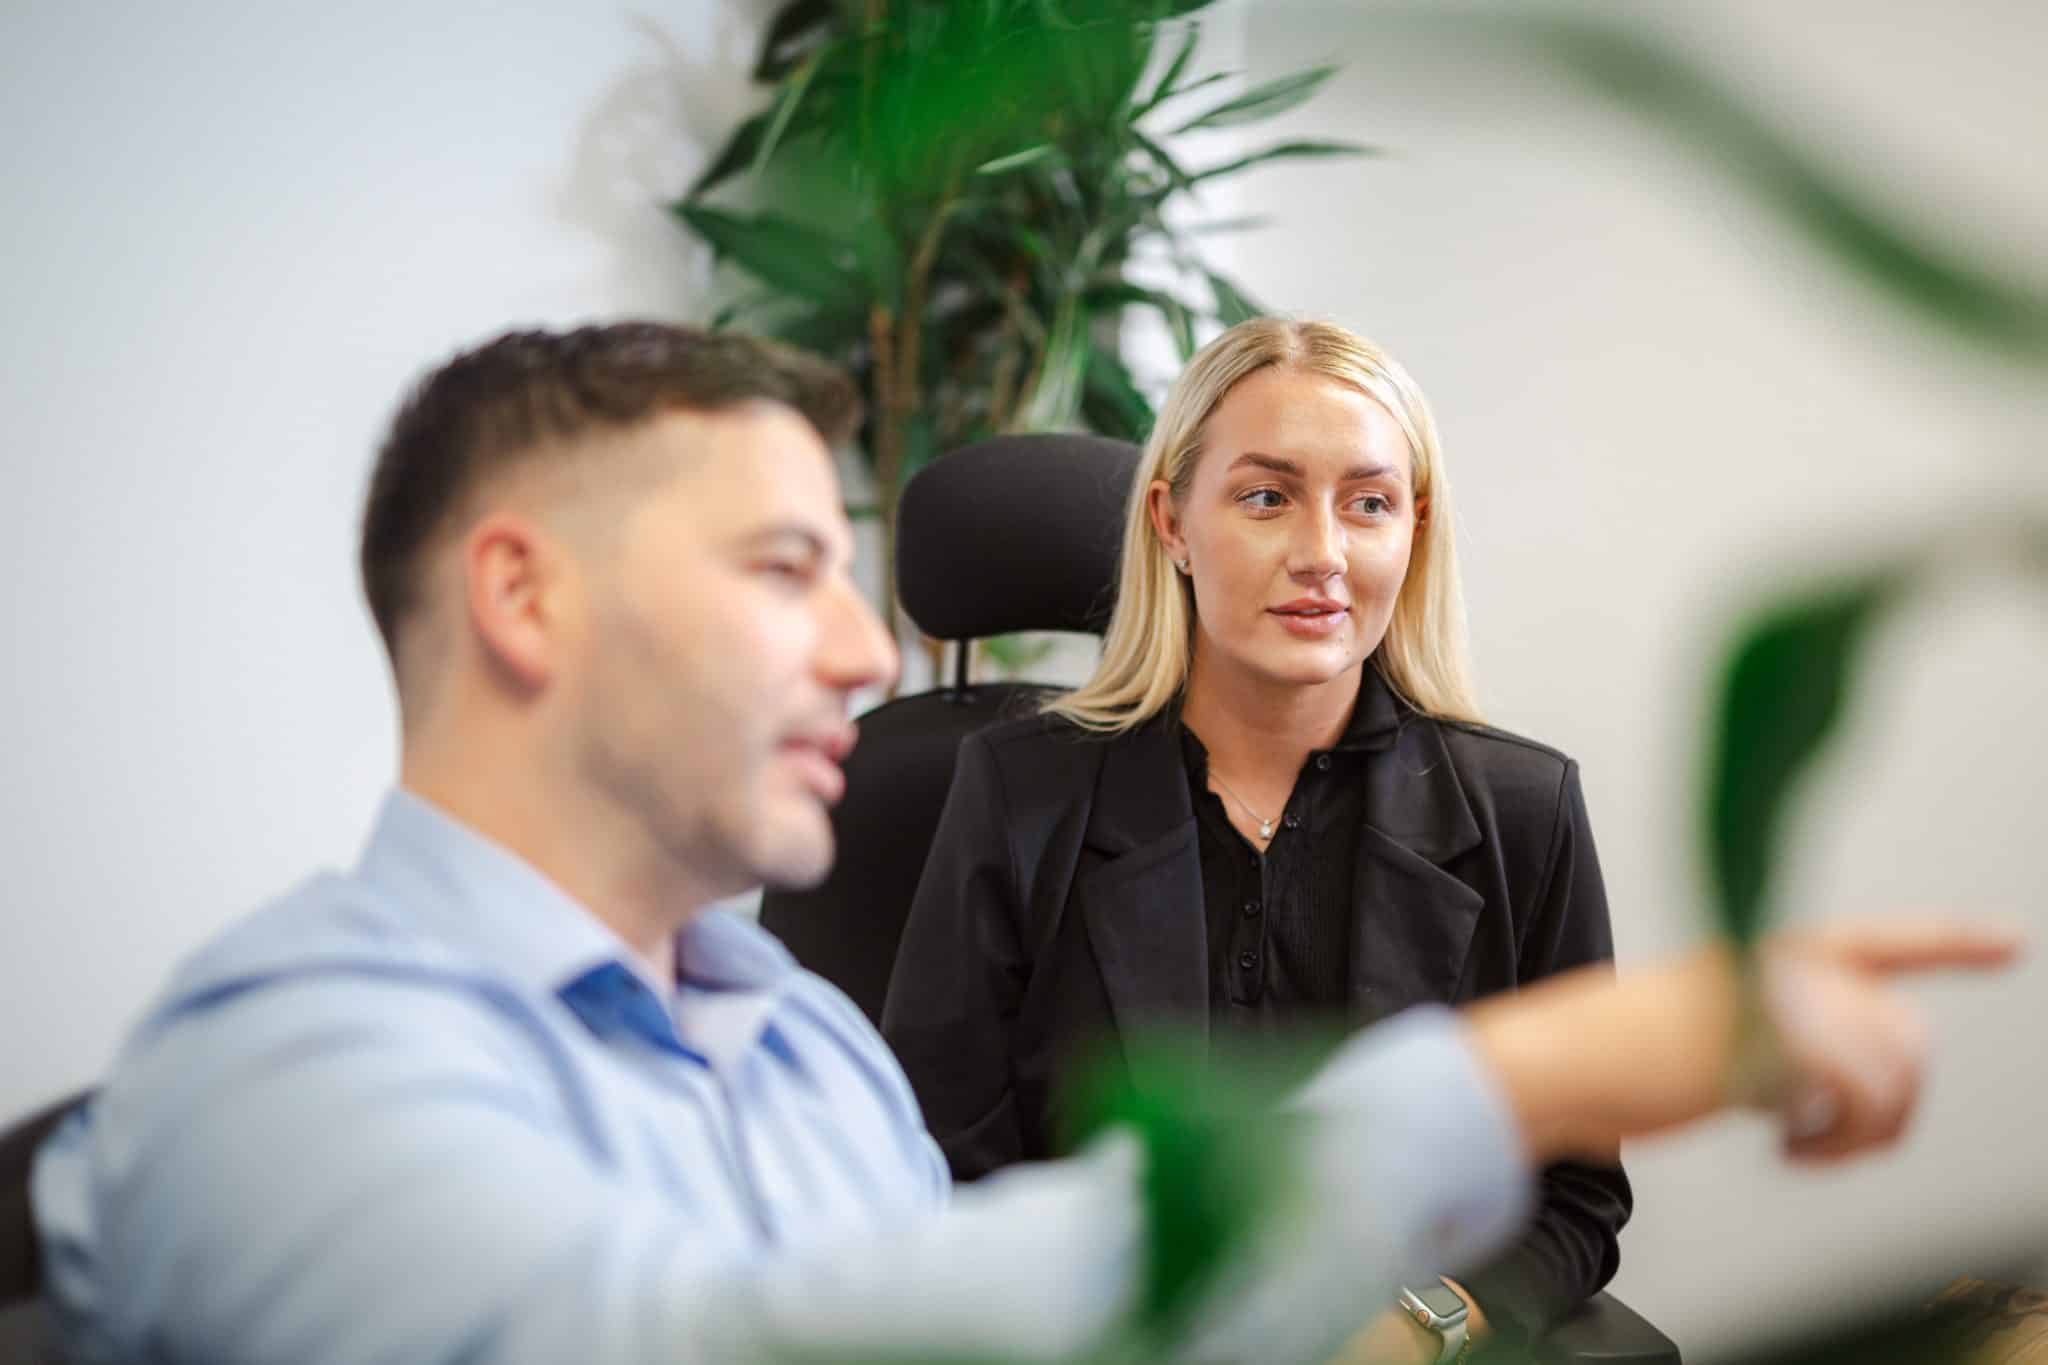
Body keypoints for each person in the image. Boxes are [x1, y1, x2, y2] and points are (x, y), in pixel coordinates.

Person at [29, 322, 2017, 1365]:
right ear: (529, 599)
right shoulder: (271, 1064)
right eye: (784, 564)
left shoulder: (789, 1045)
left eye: (1369, 503)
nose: (861, 644)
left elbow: (1006, 1297)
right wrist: (1512, 1070)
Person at [884, 317, 1619, 1352]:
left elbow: (1572, 1195)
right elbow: (935, 1154)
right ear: (1171, 522)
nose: (1321, 554)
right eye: (1265, 497)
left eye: (1366, 505)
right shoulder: (1018, 791)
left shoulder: (1522, 810)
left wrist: (1418, 1330)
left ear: (1410, 532)